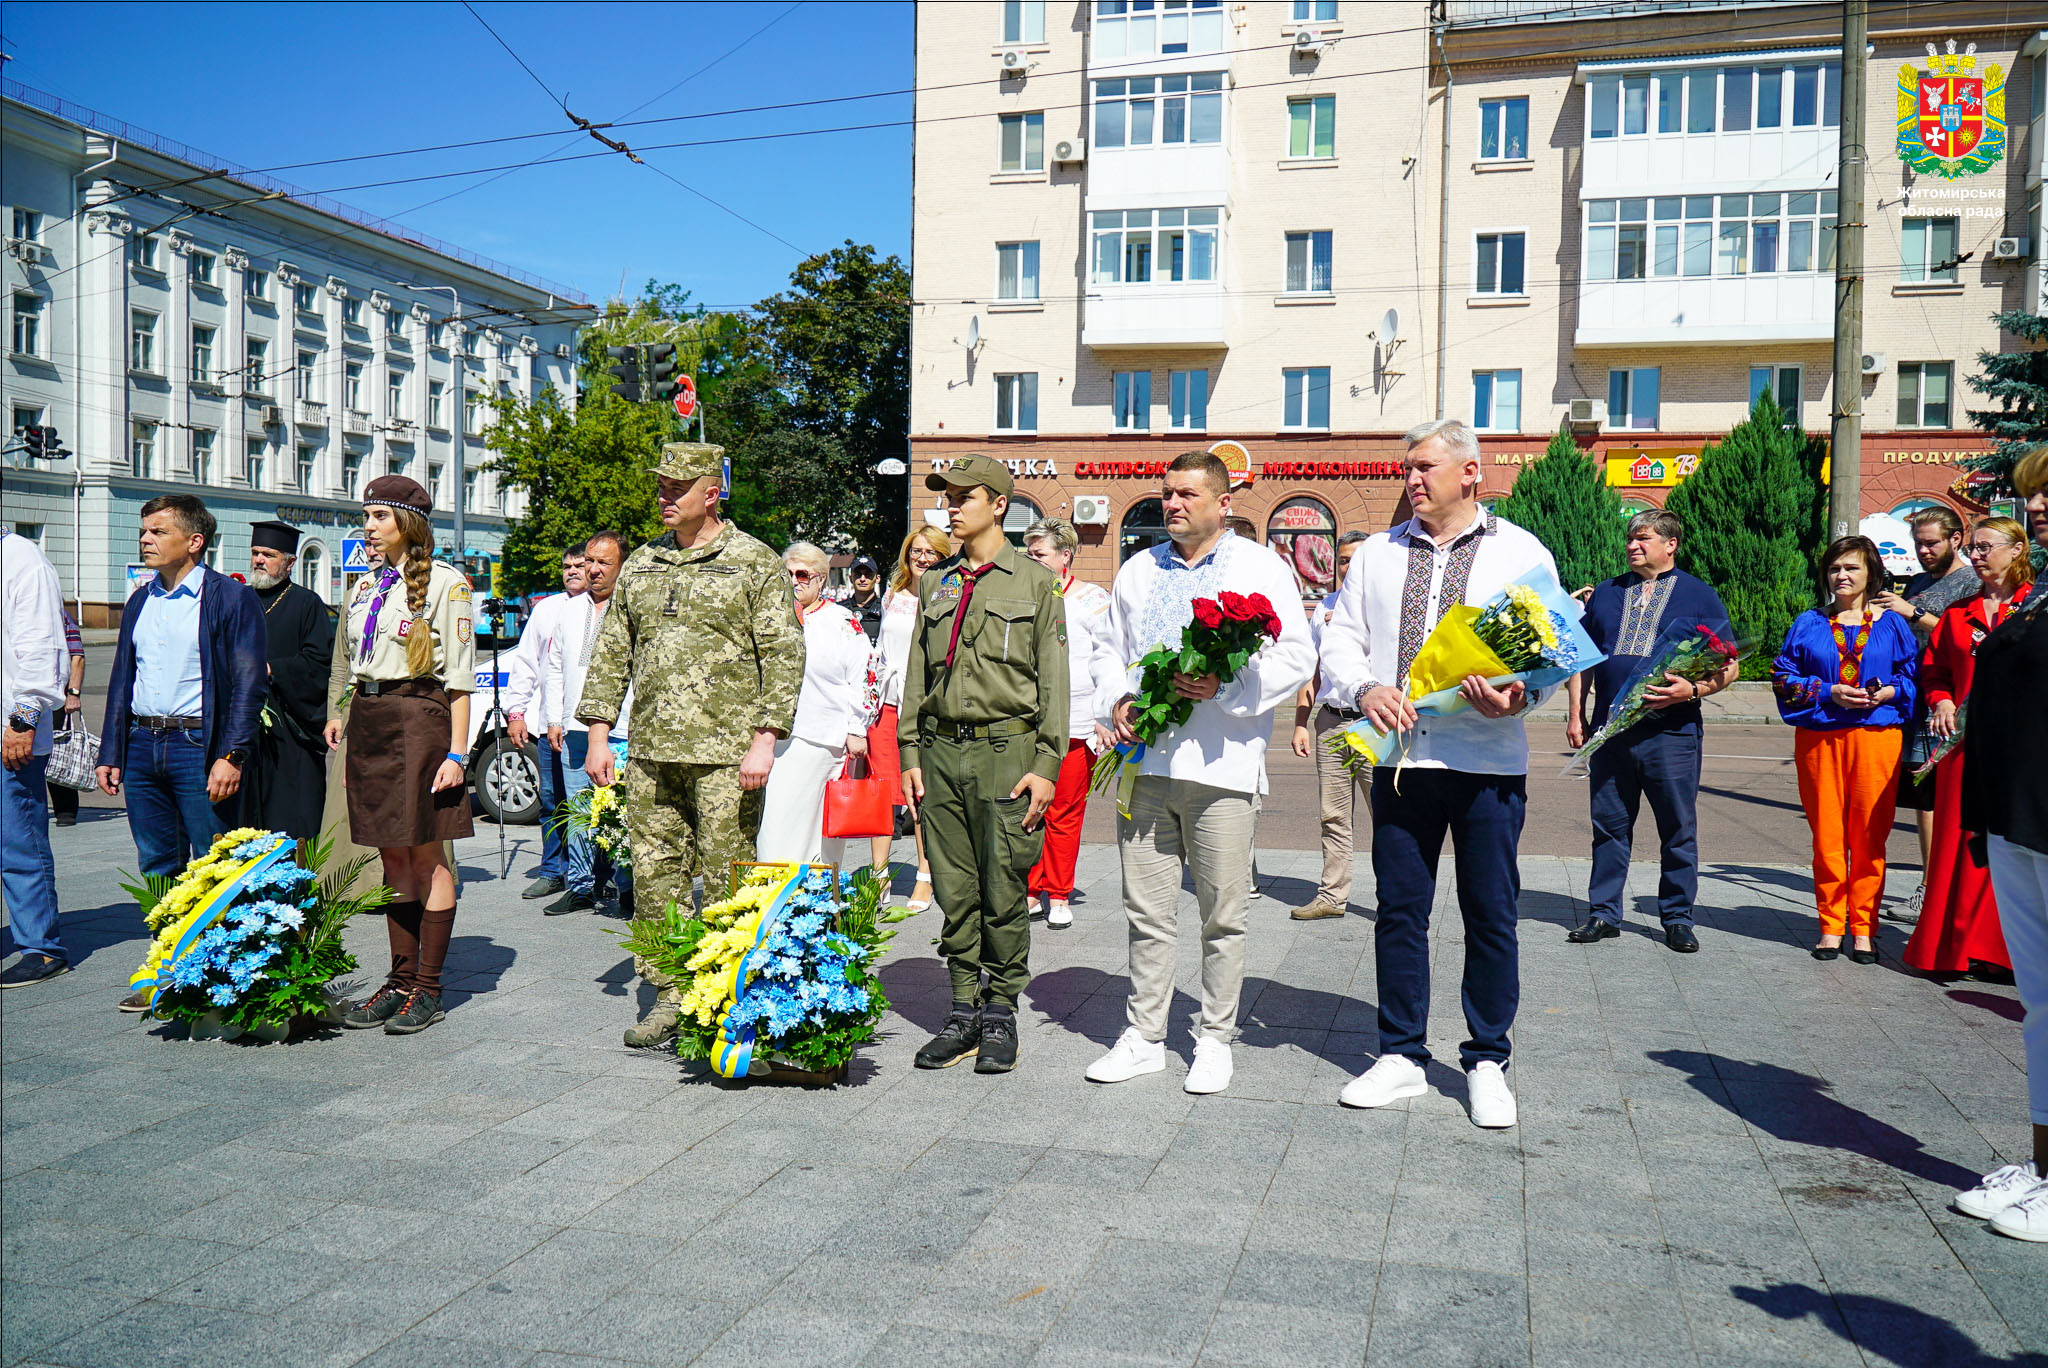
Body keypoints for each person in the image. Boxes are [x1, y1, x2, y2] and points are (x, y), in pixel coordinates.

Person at [1316, 419, 1567, 1129]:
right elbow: (1340, 637)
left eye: (1425, 467)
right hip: (1401, 761)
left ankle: (1488, 1058)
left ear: (1470, 473)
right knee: (1400, 910)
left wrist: (1524, 693)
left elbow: (1551, 651)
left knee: (1491, 912)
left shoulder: (1521, 551)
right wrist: (1364, 688)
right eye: (1407, 468)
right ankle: (1400, 1054)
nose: (1412, 479)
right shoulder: (1376, 554)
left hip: (1488, 761)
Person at [1086, 451, 1315, 1096]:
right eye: (1167, 493)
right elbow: (1111, 651)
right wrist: (1118, 700)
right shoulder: (1137, 570)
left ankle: (1214, 1038)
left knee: (1222, 912)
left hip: (1224, 766)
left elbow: (1298, 652)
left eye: (1187, 493)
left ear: (1224, 502)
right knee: (1148, 911)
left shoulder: (1259, 566)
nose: (1173, 504)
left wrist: (1230, 685)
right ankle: (1145, 1035)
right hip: (1147, 764)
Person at [580, 443, 805, 1050]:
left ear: (711, 494)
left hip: (726, 755)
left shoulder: (752, 561)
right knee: (655, 879)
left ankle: (728, 997)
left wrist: (765, 740)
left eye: (677, 487)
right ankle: (671, 995)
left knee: (728, 878)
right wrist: (600, 733)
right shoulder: (645, 563)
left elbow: (783, 655)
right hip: (652, 751)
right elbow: (613, 650)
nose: (663, 497)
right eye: (660, 485)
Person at [899, 454, 1068, 1076]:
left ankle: (1000, 1012)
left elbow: (1055, 681)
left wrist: (1047, 764)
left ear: (998, 503)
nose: (952, 504)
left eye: (965, 495)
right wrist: (910, 752)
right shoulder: (934, 583)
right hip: (941, 754)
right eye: (948, 495)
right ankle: (963, 1009)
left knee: (1003, 885)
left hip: (1007, 753)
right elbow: (917, 674)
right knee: (953, 887)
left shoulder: (1034, 583)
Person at [326, 475, 476, 1036]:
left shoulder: (447, 584)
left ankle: (429, 989)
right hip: (372, 720)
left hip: (420, 721)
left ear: (406, 524)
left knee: (427, 857)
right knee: (390, 860)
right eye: (365, 517)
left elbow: (459, 681)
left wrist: (457, 754)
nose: (368, 527)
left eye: (378, 518)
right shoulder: (363, 586)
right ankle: (400, 980)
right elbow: (353, 662)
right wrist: (342, 711)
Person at [1950, 444, 2048, 1242]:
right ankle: (2044, 1166)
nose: (2040, 506)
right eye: (2036, 494)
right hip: (2019, 822)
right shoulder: (2041, 591)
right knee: (2043, 1007)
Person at [1564, 510, 1739, 953]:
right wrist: (1575, 715)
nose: (1631, 546)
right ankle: (1603, 913)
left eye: (1642, 539)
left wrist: (1693, 689)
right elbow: (1582, 659)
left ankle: (1677, 917)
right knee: (1609, 826)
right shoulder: (1606, 593)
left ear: (1670, 544)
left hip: (1672, 734)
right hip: (1610, 732)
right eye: (1629, 539)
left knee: (1677, 827)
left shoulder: (1698, 594)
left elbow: (1730, 662)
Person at [95, 495, 265, 876]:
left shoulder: (231, 598)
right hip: (141, 746)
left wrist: (232, 755)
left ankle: (217, 938)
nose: (145, 539)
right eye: (143, 531)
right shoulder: (141, 599)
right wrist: (111, 751)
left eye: (158, 531)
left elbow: (248, 685)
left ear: (194, 542)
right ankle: (167, 938)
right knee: (156, 862)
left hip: (197, 747)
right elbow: (122, 681)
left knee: (214, 862)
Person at [1771, 535, 1918, 965]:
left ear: (1871, 573)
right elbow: (1783, 678)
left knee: (1870, 836)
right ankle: (1831, 927)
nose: (1842, 576)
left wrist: (1889, 691)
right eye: (1835, 568)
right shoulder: (1809, 623)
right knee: (1829, 837)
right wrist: (1826, 690)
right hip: (1820, 739)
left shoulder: (1891, 624)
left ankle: (1865, 929)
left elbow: (1912, 680)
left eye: (1851, 568)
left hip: (1876, 738)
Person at [1904, 516, 2033, 978]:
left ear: (2017, 550)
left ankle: (2001, 952)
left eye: (1986, 547)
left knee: (2012, 846)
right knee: (1956, 843)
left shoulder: (2036, 607)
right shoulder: (1959, 612)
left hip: (2022, 750)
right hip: (1962, 748)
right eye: (1973, 548)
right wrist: (1940, 700)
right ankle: (1949, 948)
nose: (1976, 555)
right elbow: (1934, 669)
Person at [1873, 506, 1978, 923]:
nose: (1923, 550)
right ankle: (1929, 880)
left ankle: (1935, 886)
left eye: (1931, 542)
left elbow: (1966, 638)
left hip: (1947, 705)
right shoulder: (1918, 581)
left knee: (1937, 796)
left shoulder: (1970, 581)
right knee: (1922, 797)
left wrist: (1912, 612)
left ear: (1956, 539)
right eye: (1918, 543)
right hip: (1912, 702)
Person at [1021, 517, 1122, 931]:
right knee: (1026, 809)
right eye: (1028, 554)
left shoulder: (1093, 599)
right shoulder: (1020, 593)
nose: (1032, 560)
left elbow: (1111, 657)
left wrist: (1102, 716)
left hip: (1077, 720)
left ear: (1065, 556)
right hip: (1026, 719)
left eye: (1039, 554)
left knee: (1064, 811)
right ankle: (1029, 887)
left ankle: (1059, 893)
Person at [758, 542, 881, 870]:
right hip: (773, 737)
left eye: (802, 574)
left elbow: (867, 676)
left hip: (822, 737)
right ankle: (777, 899)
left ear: (821, 580)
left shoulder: (841, 621)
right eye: (787, 574)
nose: (794, 581)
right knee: (776, 826)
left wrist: (858, 728)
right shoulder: (768, 618)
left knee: (817, 832)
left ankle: (816, 903)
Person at [544, 533, 636, 916]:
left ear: (622, 567)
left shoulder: (631, 607)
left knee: (623, 813)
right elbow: (553, 667)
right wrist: (554, 718)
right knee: (579, 812)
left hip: (623, 727)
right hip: (576, 728)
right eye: (588, 563)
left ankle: (628, 887)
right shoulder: (568, 609)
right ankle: (580, 887)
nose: (593, 571)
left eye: (603, 564)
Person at [1290, 531, 1372, 921]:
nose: (1348, 566)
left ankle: (1396, 900)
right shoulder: (1324, 607)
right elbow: (1313, 672)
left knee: (1389, 816)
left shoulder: (1388, 606)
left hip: (1377, 726)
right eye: (1341, 560)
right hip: (1332, 723)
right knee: (1333, 815)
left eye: (1356, 559)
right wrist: (1301, 723)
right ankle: (1331, 896)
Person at [1, 528, 70, 988]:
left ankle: (41, 948)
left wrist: (23, 720)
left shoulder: (21, 558)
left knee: (18, 842)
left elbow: (43, 646)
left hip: (8, 733)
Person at [241, 521, 335, 840]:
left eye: (268, 554)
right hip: (243, 728)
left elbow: (319, 663)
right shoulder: (239, 600)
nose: (259, 560)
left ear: (289, 562)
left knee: (293, 819)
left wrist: (272, 670)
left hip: (291, 731)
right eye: (255, 553)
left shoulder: (307, 604)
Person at [874, 527, 951, 907]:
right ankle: (878, 875)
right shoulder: (892, 595)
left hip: (923, 706)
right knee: (883, 794)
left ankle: (924, 873)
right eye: (916, 551)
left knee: (918, 793)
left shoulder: (947, 595)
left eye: (930, 552)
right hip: (885, 705)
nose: (922, 558)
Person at [505, 544, 586, 901]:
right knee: (552, 801)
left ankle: (600, 875)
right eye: (566, 566)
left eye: (579, 565)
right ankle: (554, 870)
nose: (571, 571)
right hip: (549, 724)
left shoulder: (609, 604)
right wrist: (516, 712)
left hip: (592, 727)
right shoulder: (547, 609)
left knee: (597, 803)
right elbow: (526, 663)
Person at [47, 610, 86, 827]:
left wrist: (73, 693)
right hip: (13, 694)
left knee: (58, 749)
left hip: (55, 694)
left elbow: (77, 656)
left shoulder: (60, 615)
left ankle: (65, 810)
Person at [844, 554, 885, 643]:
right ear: (851, 578)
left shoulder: (885, 608)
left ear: (877, 578)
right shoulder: (840, 610)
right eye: (858, 574)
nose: (862, 579)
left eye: (868, 574)